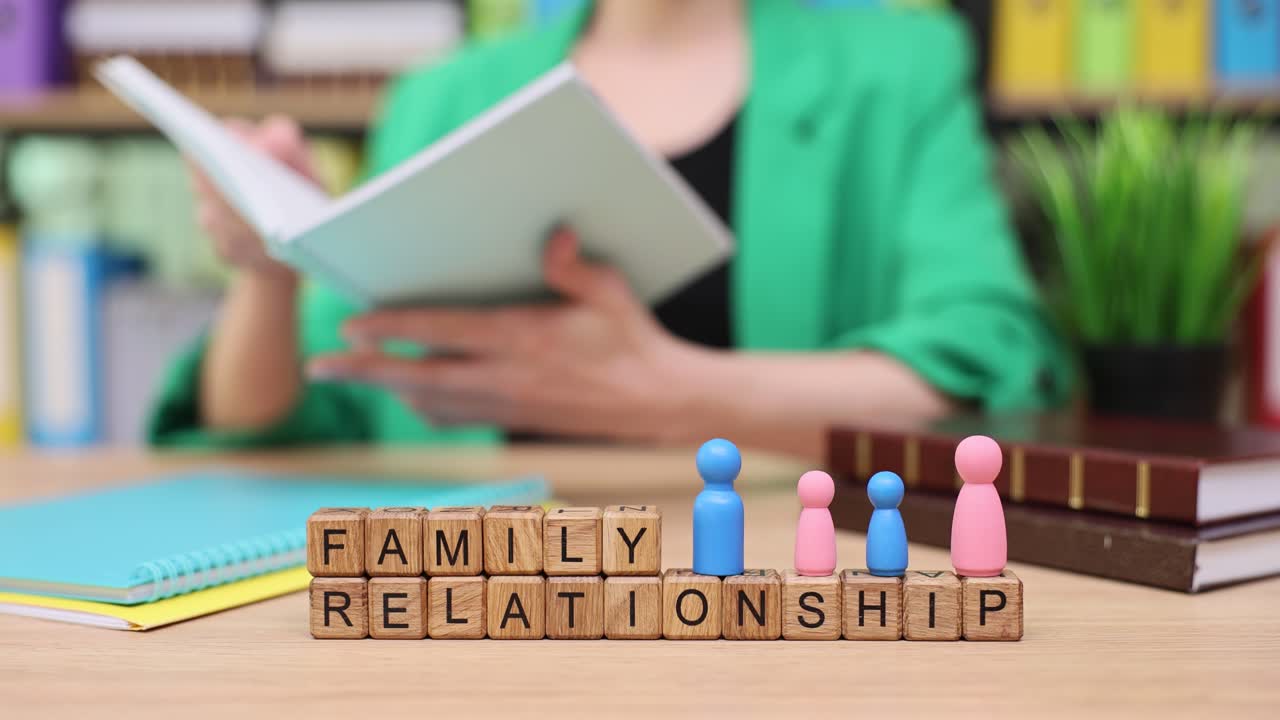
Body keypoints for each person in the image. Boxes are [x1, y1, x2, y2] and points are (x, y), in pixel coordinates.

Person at [149, 0, 1070, 460]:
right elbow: (288, 423)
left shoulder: (898, 65)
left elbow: (993, 374)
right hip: (476, 614)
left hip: (772, 598)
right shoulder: (442, 97)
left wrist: (681, 394)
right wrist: (268, 273)